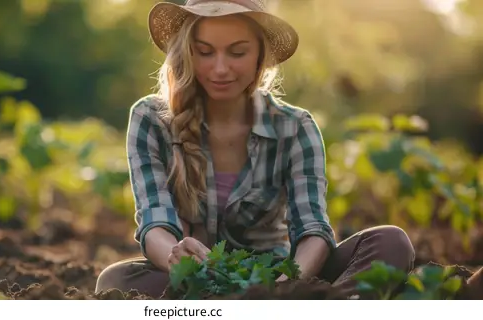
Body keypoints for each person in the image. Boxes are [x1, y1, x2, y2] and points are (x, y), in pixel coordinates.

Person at [94, 0, 415, 299]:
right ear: (186, 52)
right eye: (204, 52)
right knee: (116, 281)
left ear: (261, 56)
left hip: (280, 276)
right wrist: (175, 258)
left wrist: (286, 285)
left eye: (237, 53)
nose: (220, 69)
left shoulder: (295, 127)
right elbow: (155, 220)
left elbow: (313, 228)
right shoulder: (151, 119)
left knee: (389, 242)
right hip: (199, 276)